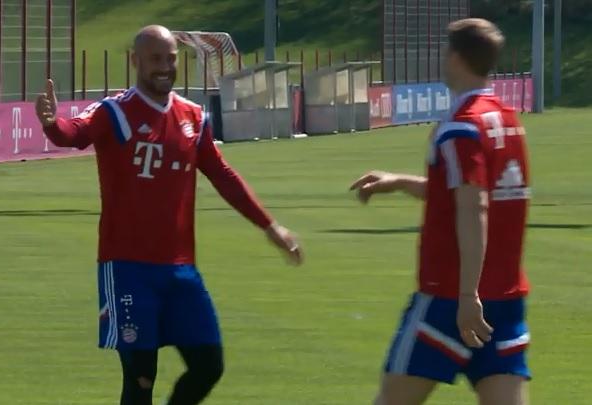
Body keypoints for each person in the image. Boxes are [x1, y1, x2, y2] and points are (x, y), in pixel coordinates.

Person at [35, 25, 303, 405]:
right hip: (127, 268)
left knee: (208, 365)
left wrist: (269, 225)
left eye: (171, 59)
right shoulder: (115, 112)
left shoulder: (192, 116)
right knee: (141, 379)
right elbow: (73, 133)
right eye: (155, 59)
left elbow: (223, 175)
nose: (164, 67)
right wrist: (51, 123)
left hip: (180, 271)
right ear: (136, 61)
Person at [350, 18, 531, 405]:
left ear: (455, 57)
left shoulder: (460, 127)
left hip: (450, 298)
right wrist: (400, 182)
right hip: (504, 299)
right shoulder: (507, 120)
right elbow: (469, 194)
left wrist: (467, 294)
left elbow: (474, 206)